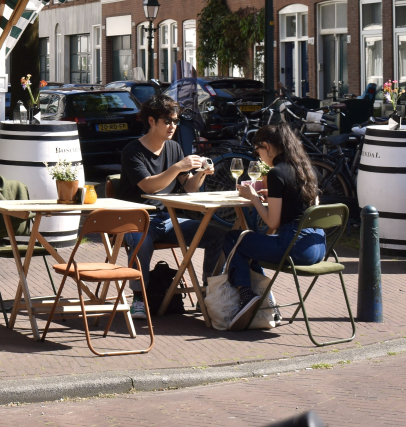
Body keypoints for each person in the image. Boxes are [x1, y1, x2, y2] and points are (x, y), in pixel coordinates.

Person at [117, 94, 226, 320]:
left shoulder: (174, 148)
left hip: (168, 219)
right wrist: (177, 167)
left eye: (175, 121)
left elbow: (189, 188)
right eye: (167, 121)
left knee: (219, 236)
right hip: (135, 219)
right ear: (151, 121)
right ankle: (138, 298)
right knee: (140, 240)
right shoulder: (132, 151)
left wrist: (200, 174)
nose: (173, 126)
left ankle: (207, 292)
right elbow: (149, 186)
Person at [222, 123, 323, 330]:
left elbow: (272, 223)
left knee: (234, 238)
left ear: (266, 146)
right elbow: (310, 207)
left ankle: (249, 295)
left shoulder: (277, 173)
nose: (258, 156)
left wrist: (253, 198)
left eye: (257, 150)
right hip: (318, 247)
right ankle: (263, 300)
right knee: (247, 243)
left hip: (293, 247)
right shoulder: (308, 169)